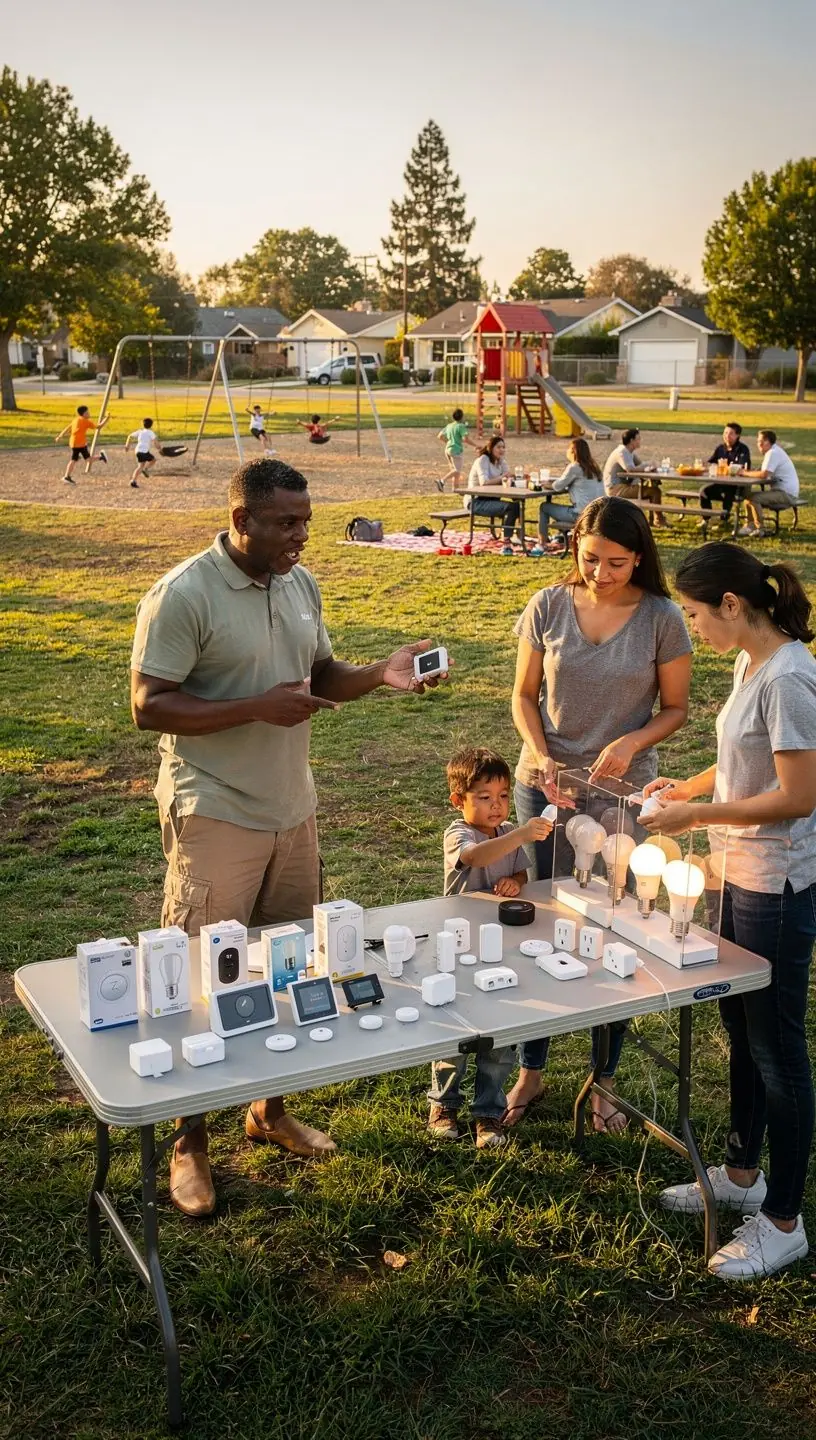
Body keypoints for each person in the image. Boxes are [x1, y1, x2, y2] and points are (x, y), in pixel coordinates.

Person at [130, 455, 449, 1218]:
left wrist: (381, 674)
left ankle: (267, 1112)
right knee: (206, 978)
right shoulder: (183, 594)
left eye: (305, 520)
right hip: (214, 810)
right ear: (241, 520)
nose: (301, 536)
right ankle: (190, 1142)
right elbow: (148, 705)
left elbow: (319, 675)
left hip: (290, 809)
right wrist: (253, 708)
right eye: (285, 523)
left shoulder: (299, 583)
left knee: (280, 972)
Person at [641, 542, 816, 1281]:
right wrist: (695, 785)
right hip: (737, 872)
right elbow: (750, 759)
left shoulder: (792, 677)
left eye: (694, 613)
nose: (693, 627)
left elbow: (799, 794)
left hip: (776, 884)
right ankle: (742, 1173)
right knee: (738, 1025)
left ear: (733, 607)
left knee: (775, 1043)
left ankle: (784, 1218)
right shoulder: (751, 664)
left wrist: (697, 815)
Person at [504, 496, 692, 1130]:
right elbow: (523, 695)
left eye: (616, 562)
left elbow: (675, 708)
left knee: (614, 927)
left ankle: (604, 1077)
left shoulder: (663, 617)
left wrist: (631, 742)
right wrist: (538, 753)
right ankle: (533, 1065)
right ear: (575, 548)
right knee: (542, 920)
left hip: (621, 792)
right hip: (546, 785)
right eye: (590, 559)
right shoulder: (548, 605)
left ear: (639, 557)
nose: (601, 574)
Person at [428, 748, 553, 1148]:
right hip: (459, 948)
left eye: (502, 795)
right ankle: (444, 1102)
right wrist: (519, 834)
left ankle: (487, 1111)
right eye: (484, 797)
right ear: (458, 801)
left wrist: (516, 881)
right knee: (457, 1031)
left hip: (500, 948)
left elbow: (518, 867)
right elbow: (474, 857)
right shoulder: (458, 834)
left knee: (499, 1031)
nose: (497, 805)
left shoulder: (508, 833)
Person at [530, 437, 604, 554]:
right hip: (597, 513)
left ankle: (541, 543)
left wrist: (545, 484)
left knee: (545, 507)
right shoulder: (594, 468)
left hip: (580, 514)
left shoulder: (575, 467)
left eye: (568, 448)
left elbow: (558, 486)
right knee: (562, 507)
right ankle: (560, 535)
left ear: (573, 451)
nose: (567, 451)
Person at [465, 435, 522, 556]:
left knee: (518, 503)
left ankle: (517, 535)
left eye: (503, 447)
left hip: (492, 498)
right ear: (491, 448)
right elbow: (484, 482)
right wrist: (503, 477)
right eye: (498, 447)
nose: (501, 450)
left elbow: (508, 477)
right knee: (512, 507)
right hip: (476, 501)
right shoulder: (483, 460)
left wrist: (512, 478)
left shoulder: (501, 461)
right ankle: (506, 543)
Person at [739, 430, 799, 538]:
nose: (759, 444)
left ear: (770, 442)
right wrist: (750, 472)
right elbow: (764, 472)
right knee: (748, 497)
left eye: (762, 441)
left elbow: (764, 474)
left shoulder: (773, 453)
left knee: (754, 499)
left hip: (786, 494)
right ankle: (750, 526)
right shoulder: (774, 451)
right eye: (758, 441)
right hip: (782, 491)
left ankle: (760, 529)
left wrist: (744, 473)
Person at [602, 428, 663, 523]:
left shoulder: (630, 453)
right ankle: (659, 520)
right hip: (615, 489)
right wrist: (645, 467)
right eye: (638, 439)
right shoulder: (621, 452)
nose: (640, 441)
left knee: (653, 490)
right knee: (654, 491)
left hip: (623, 487)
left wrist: (649, 466)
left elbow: (640, 465)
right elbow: (630, 469)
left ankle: (653, 520)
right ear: (632, 440)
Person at [699, 421, 751, 525]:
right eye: (725, 433)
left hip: (736, 485)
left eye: (731, 433)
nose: (727, 436)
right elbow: (711, 463)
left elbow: (742, 468)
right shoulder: (720, 448)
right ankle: (706, 519)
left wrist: (726, 468)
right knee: (704, 491)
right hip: (720, 483)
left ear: (737, 435)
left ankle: (724, 520)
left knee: (729, 492)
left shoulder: (742, 449)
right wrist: (702, 465)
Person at [55, 405, 109, 484]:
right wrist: (106, 419)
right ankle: (66, 477)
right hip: (79, 444)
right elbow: (98, 426)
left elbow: (68, 428)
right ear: (84, 414)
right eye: (87, 412)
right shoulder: (85, 421)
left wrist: (60, 436)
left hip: (75, 443)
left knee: (86, 459)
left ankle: (101, 457)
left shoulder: (76, 420)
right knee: (75, 460)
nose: (89, 414)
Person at [435, 407, 479, 492]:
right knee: (457, 470)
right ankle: (442, 481)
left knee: (455, 471)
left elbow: (439, 436)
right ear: (462, 417)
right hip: (456, 450)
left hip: (447, 449)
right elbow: (465, 439)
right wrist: (475, 445)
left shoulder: (449, 426)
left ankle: (455, 489)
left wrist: (449, 442)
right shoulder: (461, 426)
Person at [125, 418, 160, 489]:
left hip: (138, 451)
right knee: (153, 460)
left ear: (143, 424)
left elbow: (130, 436)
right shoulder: (151, 433)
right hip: (144, 452)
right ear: (151, 425)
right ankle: (145, 469)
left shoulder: (140, 431)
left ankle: (133, 481)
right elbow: (156, 443)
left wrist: (127, 445)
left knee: (140, 466)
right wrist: (160, 448)